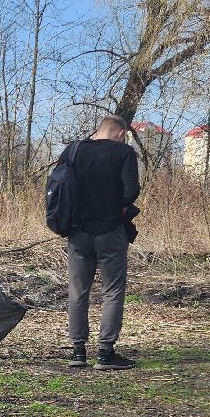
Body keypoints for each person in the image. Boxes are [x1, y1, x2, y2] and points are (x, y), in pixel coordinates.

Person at [63, 114, 140, 370]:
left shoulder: (73, 151)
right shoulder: (124, 153)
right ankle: (106, 353)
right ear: (119, 133)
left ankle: (78, 352)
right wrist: (118, 208)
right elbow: (131, 190)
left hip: (77, 233)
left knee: (78, 290)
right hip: (110, 231)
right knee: (113, 291)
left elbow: (59, 188)